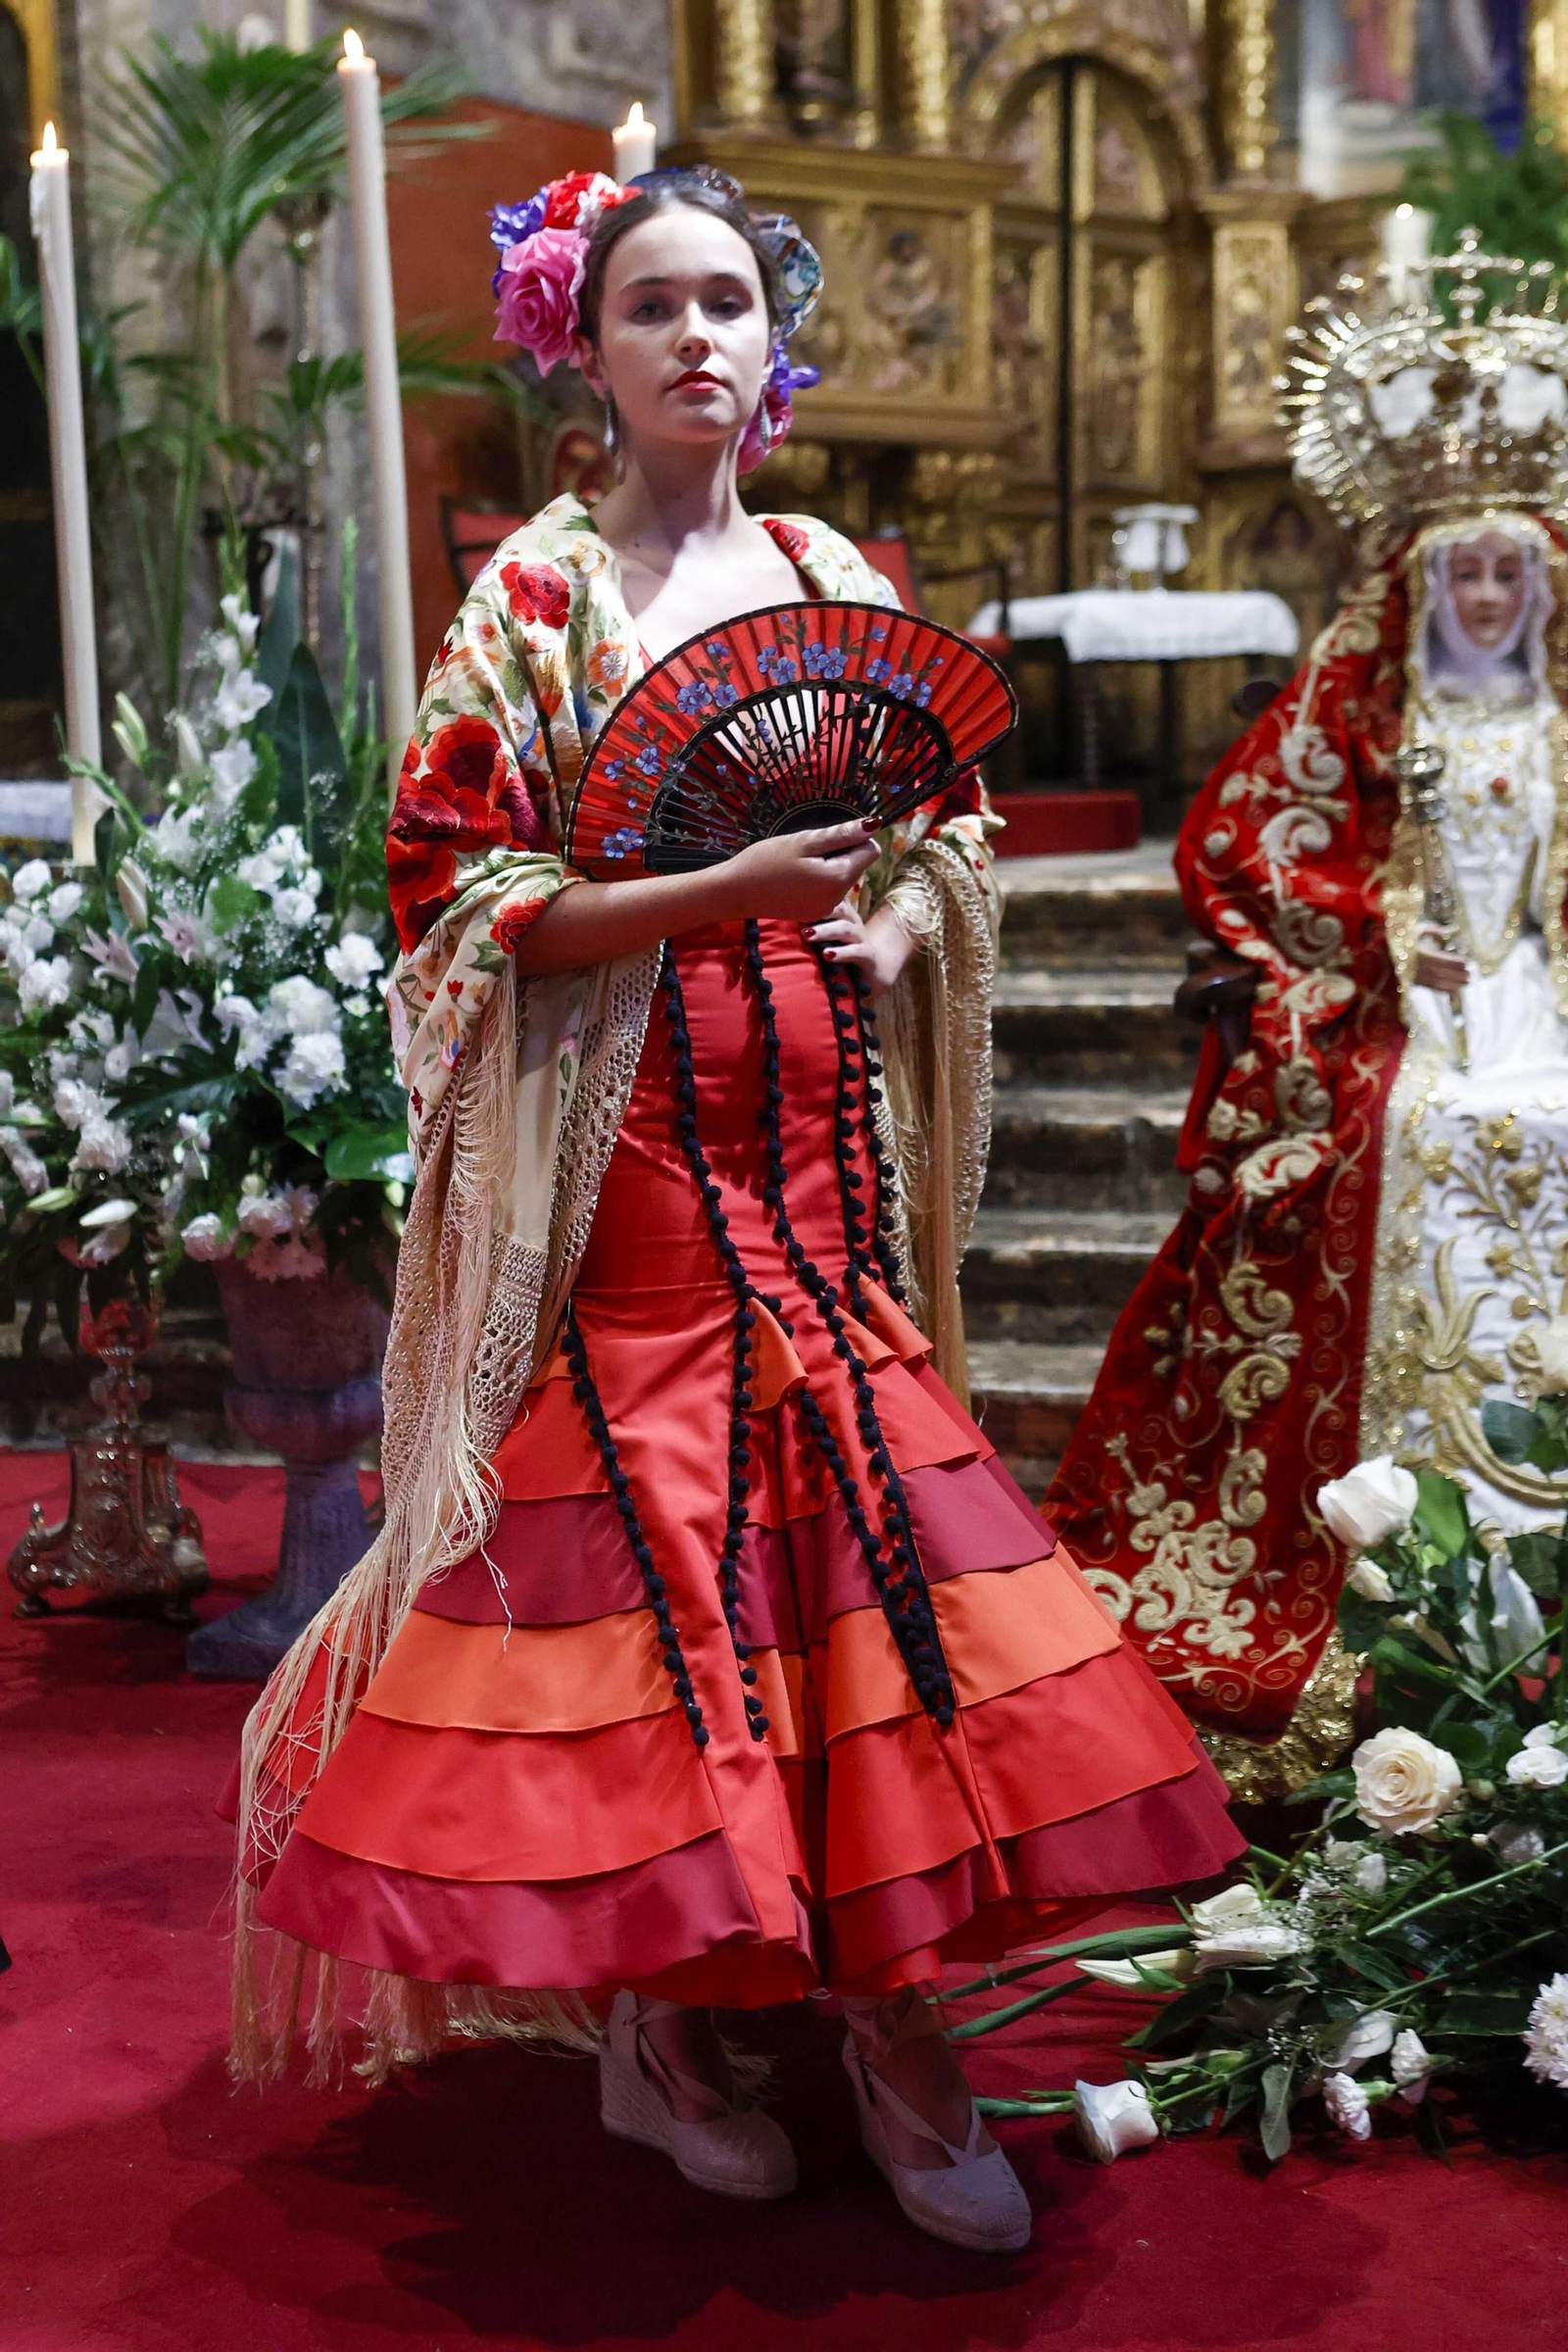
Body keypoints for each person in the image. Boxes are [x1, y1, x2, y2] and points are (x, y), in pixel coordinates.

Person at [227, 164, 1241, 2254]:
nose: (695, 337)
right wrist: (712, 896)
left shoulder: (821, 562)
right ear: (579, 354)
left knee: (867, 1540)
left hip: (811, 1129)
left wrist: (887, 929)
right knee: (670, 1543)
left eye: (726, 305)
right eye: (647, 308)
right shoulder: (533, 598)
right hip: (632, 1156)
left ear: (773, 350)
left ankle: (889, 2014)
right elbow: (456, 896)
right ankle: (669, 2019)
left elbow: (935, 825)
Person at [1048, 473, 1568, 1751]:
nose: (1490, 598)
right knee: (1403, 1136)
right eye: (1466, 575)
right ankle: (1406, 1504)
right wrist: (1387, 937)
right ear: (1420, 589)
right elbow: (1244, 838)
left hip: (1542, 998)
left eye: (1512, 573)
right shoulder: (1369, 705)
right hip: (1401, 1015)